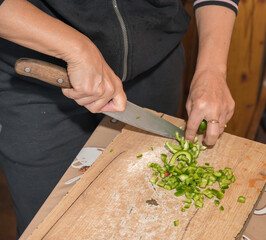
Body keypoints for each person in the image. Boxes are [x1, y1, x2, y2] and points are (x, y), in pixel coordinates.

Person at [0, 0, 237, 237]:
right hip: (38, 76)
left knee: (146, 214)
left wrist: (212, 69)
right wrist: (76, 47)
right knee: (52, 226)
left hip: (155, 61)